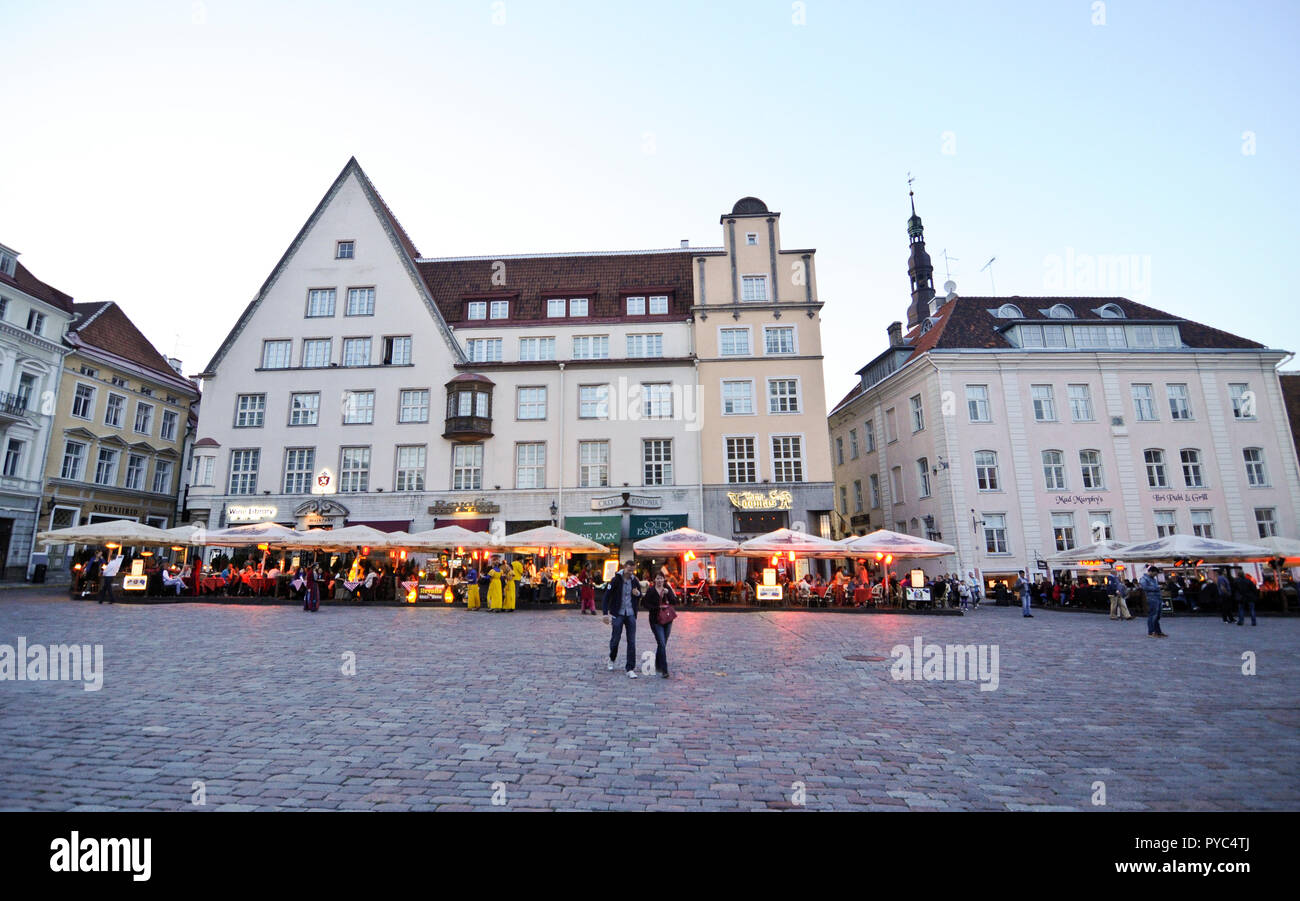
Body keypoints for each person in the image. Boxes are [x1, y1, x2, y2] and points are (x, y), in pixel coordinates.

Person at [603, 560, 642, 678]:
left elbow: (639, 595)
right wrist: (605, 613)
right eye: (629, 570)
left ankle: (630, 668)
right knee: (615, 639)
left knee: (632, 641)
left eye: (632, 570)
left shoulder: (635, 581)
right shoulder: (615, 580)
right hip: (618, 613)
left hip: (630, 613)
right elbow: (606, 597)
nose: (631, 572)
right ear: (624, 568)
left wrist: (638, 594)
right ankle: (612, 658)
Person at [641, 572, 678, 678]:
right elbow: (644, 603)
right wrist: (656, 608)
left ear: (664, 580)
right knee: (661, 643)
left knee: (663, 643)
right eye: (657, 578)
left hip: (667, 619)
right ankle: (664, 669)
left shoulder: (667, 589)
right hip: (656, 620)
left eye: (661, 578)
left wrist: (668, 593)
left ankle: (657, 664)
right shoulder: (651, 590)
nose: (659, 580)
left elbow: (674, 602)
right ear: (654, 580)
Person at [1141, 566, 1167, 637]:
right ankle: (1151, 632)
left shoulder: (1154, 579)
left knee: (1157, 616)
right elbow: (1144, 587)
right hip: (1151, 598)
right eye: (1155, 574)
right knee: (1152, 615)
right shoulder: (1144, 579)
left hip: (1157, 598)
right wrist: (1157, 587)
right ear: (1151, 572)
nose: (1155, 575)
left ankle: (1158, 631)